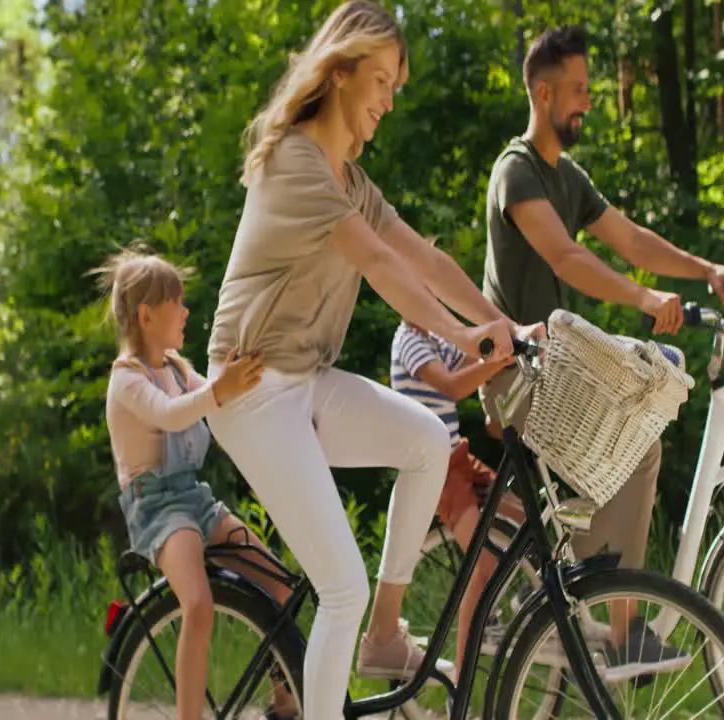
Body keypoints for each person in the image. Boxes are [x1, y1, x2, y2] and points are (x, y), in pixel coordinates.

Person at [202, 3, 537, 717]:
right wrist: (462, 336)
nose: (388, 100)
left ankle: (384, 637)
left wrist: (503, 324)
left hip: (308, 382)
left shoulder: (349, 178)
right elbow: (382, 266)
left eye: (395, 86)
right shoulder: (296, 162)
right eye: (381, 80)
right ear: (341, 72)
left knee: (423, 439)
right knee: (340, 586)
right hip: (254, 395)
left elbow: (425, 256)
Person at [477, 24, 724, 680]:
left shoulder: (567, 176)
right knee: (634, 443)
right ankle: (608, 611)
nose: (587, 103)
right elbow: (565, 254)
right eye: (577, 91)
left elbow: (628, 238)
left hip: (558, 371)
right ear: (541, 92)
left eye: (589, 91)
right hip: (515, 377)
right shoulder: (518, 171)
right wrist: (647, 303)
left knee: (641, 441)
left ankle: (600, 607)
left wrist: (701, 268)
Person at [95, 247, 297, 720]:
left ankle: (286, 701)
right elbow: (170, 413)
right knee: (199, 604)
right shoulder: (127, 380)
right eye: (177, 303)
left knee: (278, 585)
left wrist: (242, 383)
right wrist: (218, 390)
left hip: (196, 500)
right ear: (147, 315)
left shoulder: (179, 368)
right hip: (159, 512)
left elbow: (217, 401)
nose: (186, 312)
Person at [388, 300, 530, 681]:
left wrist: (504, 343)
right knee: (481, 567)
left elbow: (471, 358)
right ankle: (463, 677)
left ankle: (506, 603)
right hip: (436, 471)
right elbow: (451, 385)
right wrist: (497, 361)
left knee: (527, 515)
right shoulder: (408, 342)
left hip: (458, 458)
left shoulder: (434, 337)